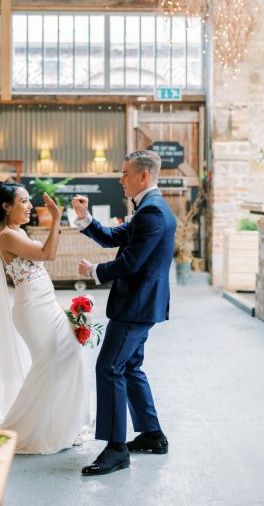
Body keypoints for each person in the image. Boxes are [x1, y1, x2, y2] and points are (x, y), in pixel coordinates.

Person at [71, 150, 177, 476]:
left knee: (109, 367)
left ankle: (116, 449)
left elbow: (130, 263)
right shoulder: (148, 209)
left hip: (136, 306)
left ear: (143, 177)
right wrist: (85, 217)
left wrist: (95, 272)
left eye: (125, 173)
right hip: (141, 304)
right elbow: (113, 237)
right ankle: (152, 435)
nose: (121, 179)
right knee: (130, 366)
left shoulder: (153, 213)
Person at [0, 181, 89, 454]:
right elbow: (48, 254)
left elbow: (39, 274)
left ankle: (61, 425)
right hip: (33, 310)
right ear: (6, 206)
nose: (28, 206)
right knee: (48, 364)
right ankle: (23, 430)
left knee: (68, 357)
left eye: (27, 200)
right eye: (22, 201)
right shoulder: (7, 236)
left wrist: (62, 309)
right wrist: (57, 219)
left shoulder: (18, 232)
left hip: (46, 305)